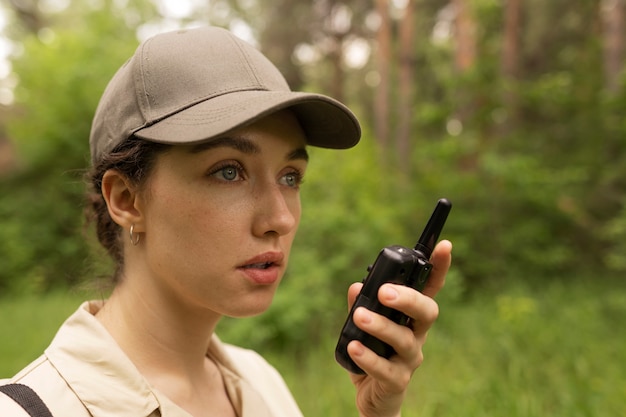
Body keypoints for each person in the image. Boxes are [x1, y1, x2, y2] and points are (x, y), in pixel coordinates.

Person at [0, 26, 452, 417]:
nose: (279, 218)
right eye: (228, 171)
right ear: (126, 199)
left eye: (290, 176)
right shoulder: (33, 407)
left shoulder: (263, 383)